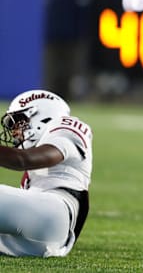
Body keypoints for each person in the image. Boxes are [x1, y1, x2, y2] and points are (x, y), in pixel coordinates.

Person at [0, 89, 91, 257]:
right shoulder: (34, 174)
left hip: (54, 212)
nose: (15, 132)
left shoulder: (64, 126)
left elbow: (23, 160)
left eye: (19, 122)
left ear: (42, 115)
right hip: (41, 239)